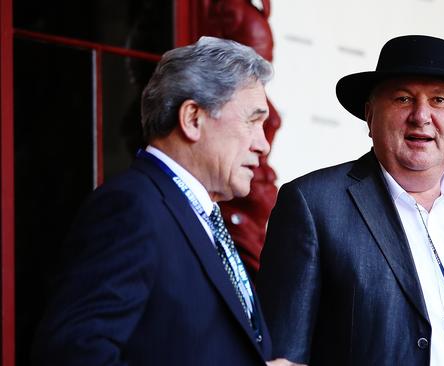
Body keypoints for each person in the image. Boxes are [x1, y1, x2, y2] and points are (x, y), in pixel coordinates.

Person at [257, 35, 444, 366]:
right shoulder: (314, 206)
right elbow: (281, 355)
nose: (421, 116)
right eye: (403, 99)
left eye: (439, 100)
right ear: (369, 115)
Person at [32, 36, 283, 365]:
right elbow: (72, 357)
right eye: (253, 121)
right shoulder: (131, 208)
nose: (263, 145)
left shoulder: (200, 215)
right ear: (193, 118)